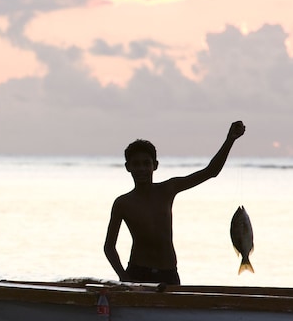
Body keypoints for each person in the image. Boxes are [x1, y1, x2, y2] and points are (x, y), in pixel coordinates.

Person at [103, 121, 246, 285]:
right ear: (128, 167)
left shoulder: (168, 189)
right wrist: (124, 277)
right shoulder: (123, 203)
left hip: (168, 273)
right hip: (137, 272)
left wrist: (230, 140)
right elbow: (109, 247)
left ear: (155, 166)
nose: (141, 169)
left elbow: (211, 172)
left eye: (146, 163)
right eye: (136, 164)